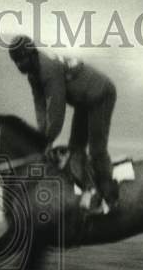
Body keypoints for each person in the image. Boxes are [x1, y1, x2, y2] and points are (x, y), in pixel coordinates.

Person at [7, 35, 119, 214]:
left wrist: (45, 141)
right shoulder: (33, 75)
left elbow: (56, 112)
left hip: (101, 95)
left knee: (97, 149)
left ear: (31, 54)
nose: (19, 65)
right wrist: (40, 136)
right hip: (83, 101)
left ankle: (111, 200)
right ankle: (90, 193)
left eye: (22, 59)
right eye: (16, 61)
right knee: (75, 150)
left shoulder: (48, 69)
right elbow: (41, 107)